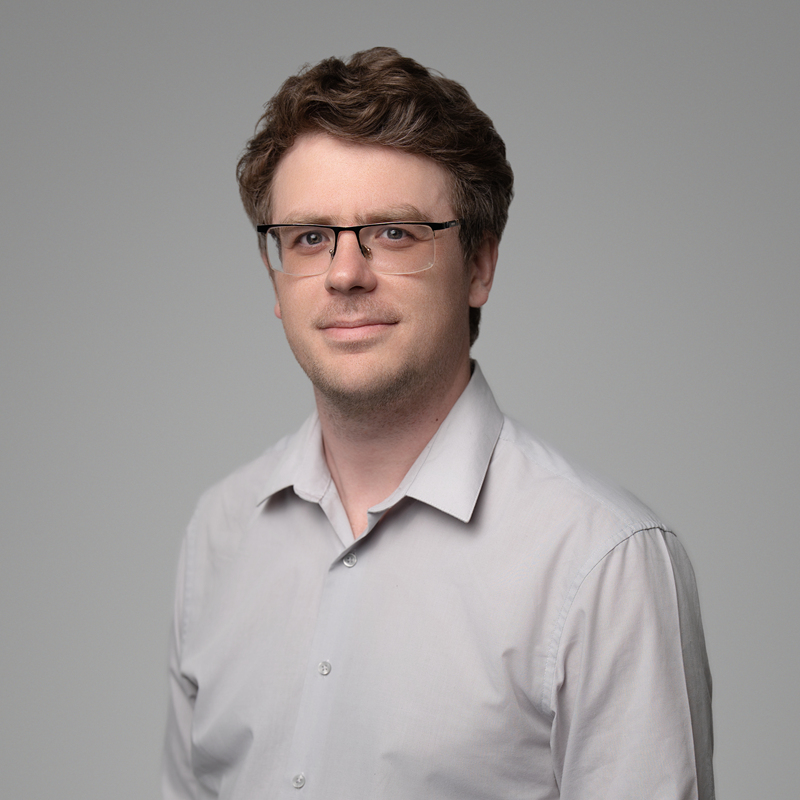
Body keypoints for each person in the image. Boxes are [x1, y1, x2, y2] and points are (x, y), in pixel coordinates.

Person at [162, 47, 714, 799]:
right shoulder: (218, 535)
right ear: (276, 275)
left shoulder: (604, 565)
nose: (345, 274)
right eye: (310, 237)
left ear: (479, 265)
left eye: (395, 232)